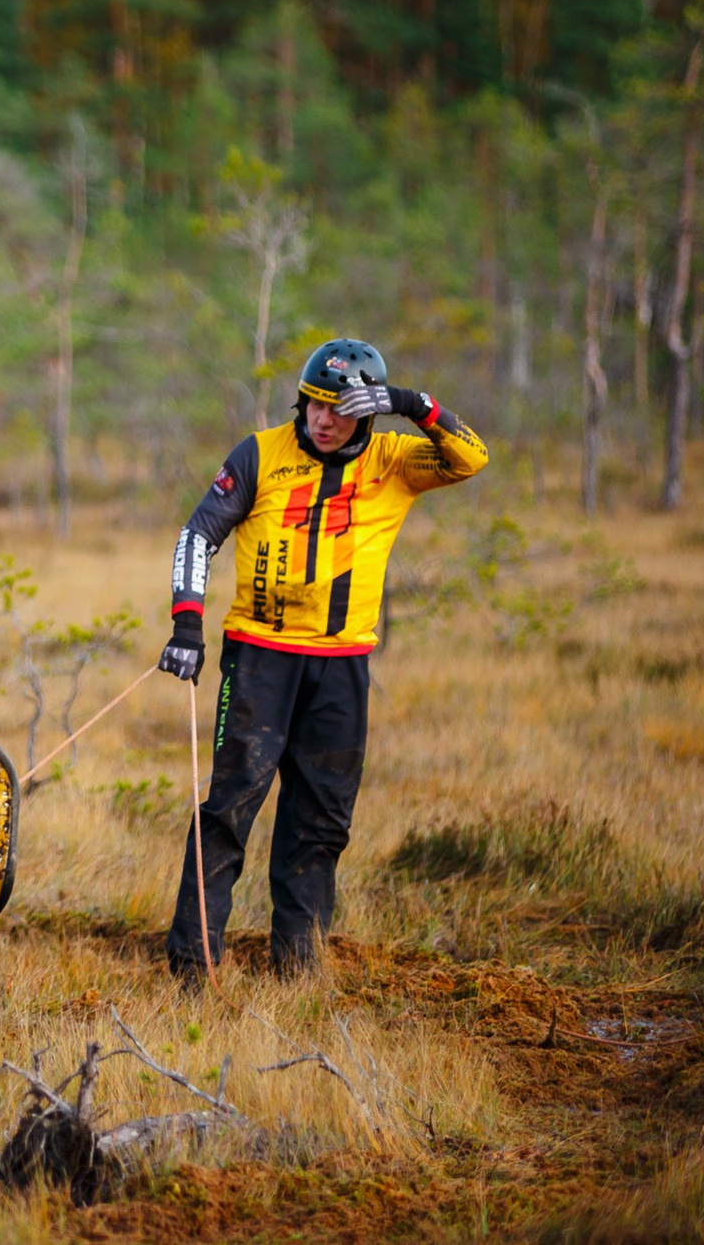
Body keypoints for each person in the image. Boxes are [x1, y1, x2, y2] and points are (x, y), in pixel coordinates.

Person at [159, 338, 488, 982]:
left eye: (339, 408)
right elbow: (198, 534)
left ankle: (298, 972)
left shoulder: (395, 460)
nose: (322, 419)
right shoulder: (259, 453)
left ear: (366, 413)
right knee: (229, 810)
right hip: (260, 658)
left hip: (341, 666)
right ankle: (193, 969)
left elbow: (471, 456)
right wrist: (187, 626)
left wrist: (409, 404)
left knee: (321, 820)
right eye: (313, 403)